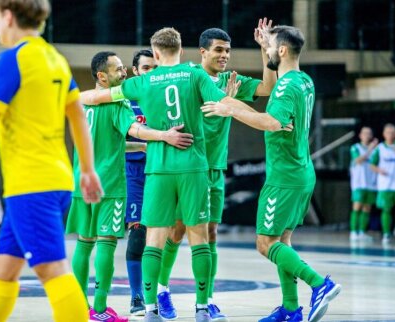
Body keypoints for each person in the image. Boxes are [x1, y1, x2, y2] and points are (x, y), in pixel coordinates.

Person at [81, 27, 273, 322]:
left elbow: (99, 97)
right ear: (182, 50)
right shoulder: (195, 75)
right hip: (194, 167)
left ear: (155, 54)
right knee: (202, 238)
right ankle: (201, 308)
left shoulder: (143, 81)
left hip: (158, 169)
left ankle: (149, 310)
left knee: (154, 238)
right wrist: (241, 107)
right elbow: (221, 103)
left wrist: (67, 97)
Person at [0, 1, 103, 321]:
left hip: (31, 185)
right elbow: (78, 117)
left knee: (51, 270)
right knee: (3, 269)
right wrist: (86, 170)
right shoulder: (55, 59)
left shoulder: (11, 59)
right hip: (53, 181)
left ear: (8, 16)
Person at [201, 25, 341, 322]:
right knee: (283, 240)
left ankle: (319, 284)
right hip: (301, 171)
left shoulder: (286, 86)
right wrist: (235, 102)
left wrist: (231, 110)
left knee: (266, 243)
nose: (265, 50)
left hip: (284, 177)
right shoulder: (304, 81)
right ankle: (290, 309)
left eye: (269, 47)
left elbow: (272, 122)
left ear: (282, 51)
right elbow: (277, 113)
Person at [156, 20, 277, 322]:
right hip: (187, 166)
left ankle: (207, 300)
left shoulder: (231, 79)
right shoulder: (190, 76)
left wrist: (266, 51)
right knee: (178, 229)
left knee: (211, 232)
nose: (225, 56)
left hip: (215, 168)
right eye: (219, 50)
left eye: (228, 51)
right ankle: (161, 290)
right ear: (202, 52)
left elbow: (269, 88)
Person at [67, 51, 193, 322]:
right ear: (102, 76)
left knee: (83, 244)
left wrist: (150, 145)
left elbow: (112, 142)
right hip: (109, 185)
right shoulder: (118, 104)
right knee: (106, 244)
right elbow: (134, 130)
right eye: (118, 70)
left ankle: (79, 308)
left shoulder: (83, 103)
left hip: (81, 181)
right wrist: (164, 136)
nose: (124, 73)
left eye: (124, 68)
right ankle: (99, 310)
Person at [124, 49, 157, 317]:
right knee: (138, 234)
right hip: (133, 173)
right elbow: (111, 144)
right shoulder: (124, 100)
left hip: (161, 172)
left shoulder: (164, 98)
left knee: (162, 235)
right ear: (136, 71)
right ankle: (137, 296)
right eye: (146, 68)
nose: (151, 72)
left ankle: (157, 294)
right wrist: (143, 145)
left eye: (154, 68)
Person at [370, 123, 395, 244]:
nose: (390, 135)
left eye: (393, 132)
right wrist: (379, 170)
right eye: (388, 132)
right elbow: (372, 164)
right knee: (386, 209)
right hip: (385, 183)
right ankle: (386, 233)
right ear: (384, 134)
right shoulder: (379, 148)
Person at [349, 127, 378, 242]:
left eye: (369, 133)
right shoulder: (355, 147)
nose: (367, 135)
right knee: (357, 207)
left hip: (370, 183)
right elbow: (358, 160)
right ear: (360, 135)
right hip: (359, 183)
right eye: (365, 133)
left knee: (367, 208)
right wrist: (370, 149)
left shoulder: (375, 151)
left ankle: (361, 231)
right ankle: (353, 232)